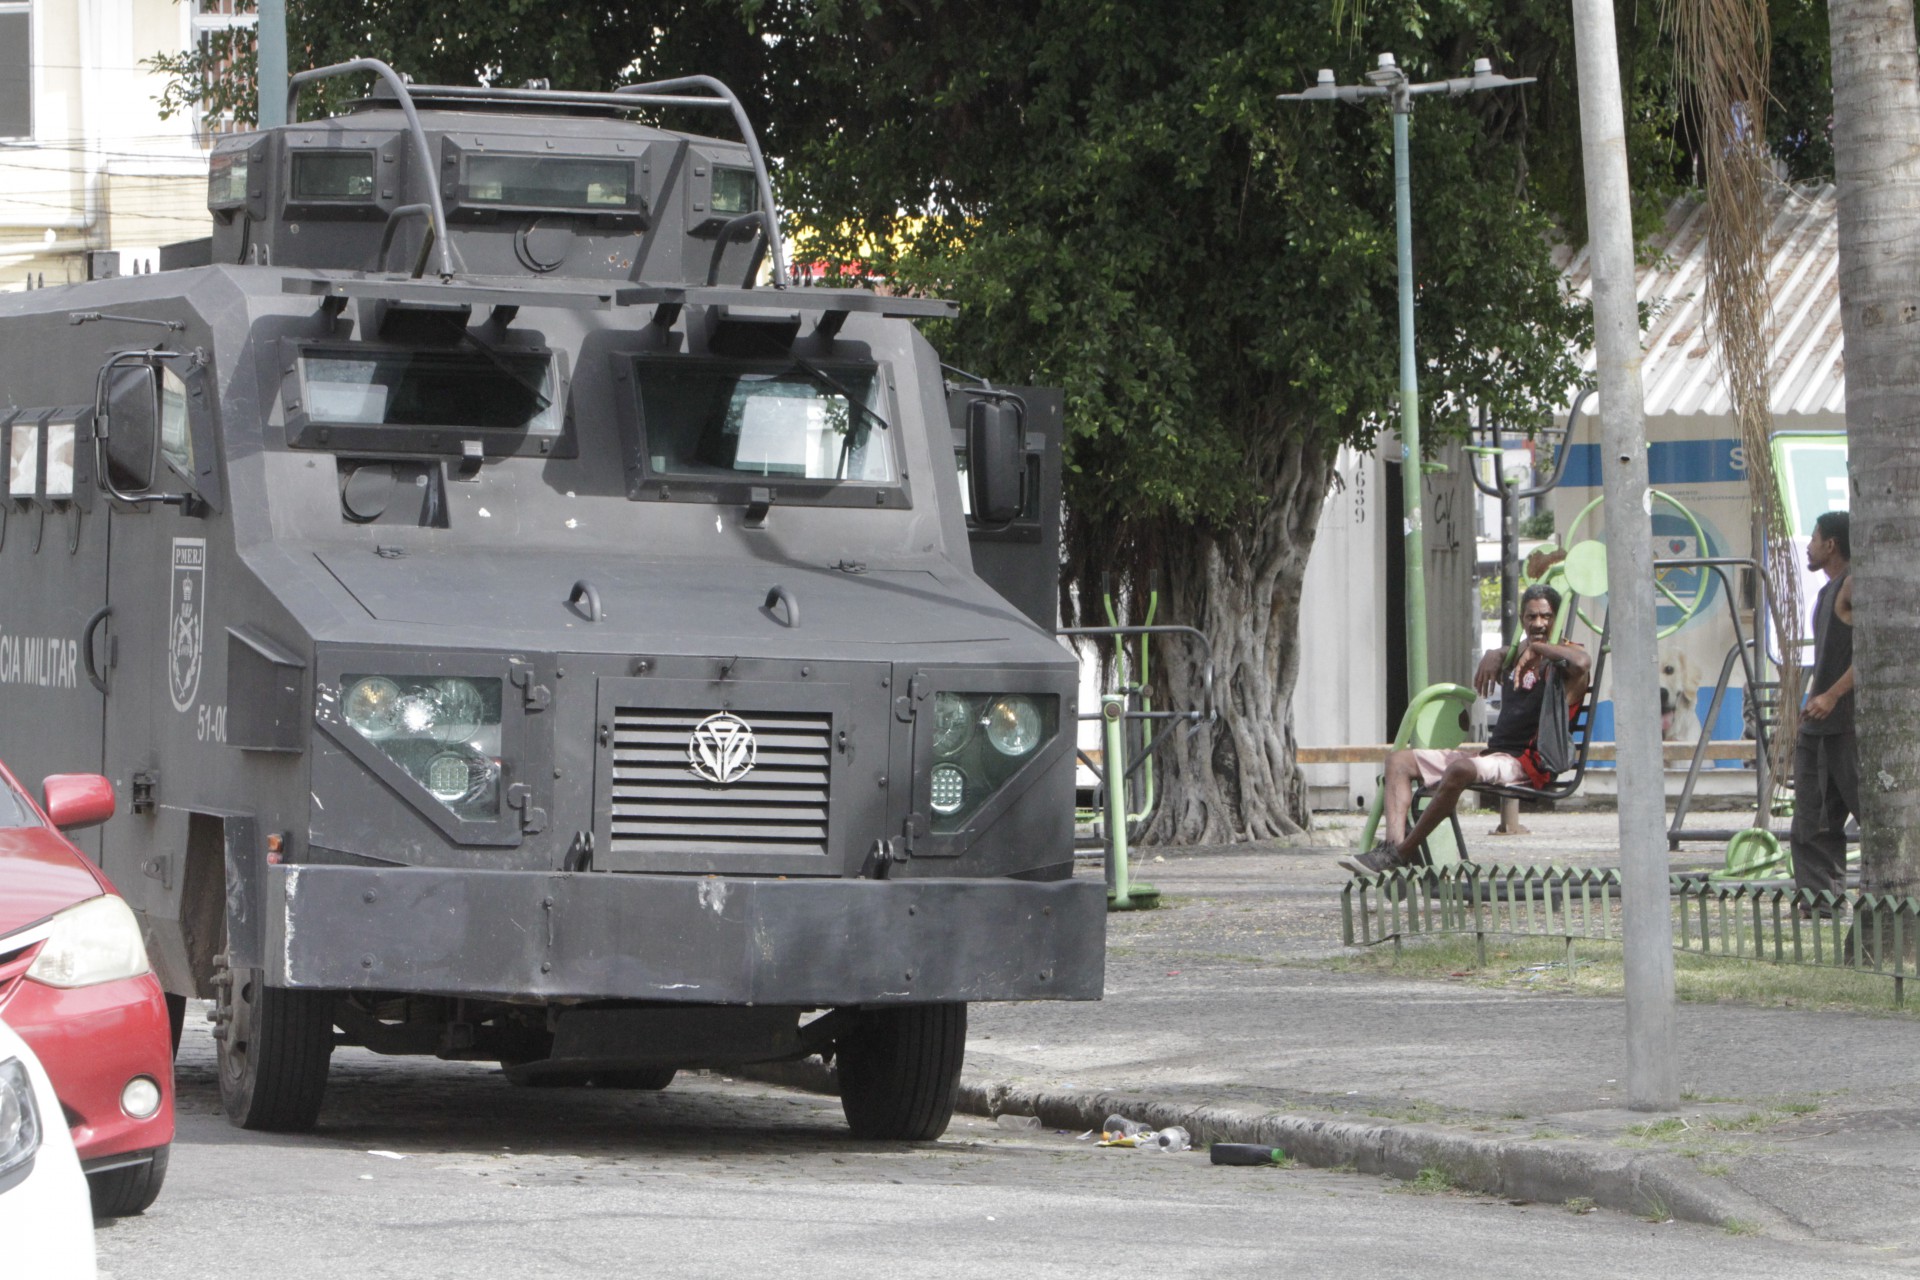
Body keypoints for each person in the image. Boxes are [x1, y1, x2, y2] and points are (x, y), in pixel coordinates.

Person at [1341, 583, 1591, 875]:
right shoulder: (1516, 655)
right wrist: (1494, 653)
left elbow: (1583, 662)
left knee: (1460, 770)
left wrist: (1537, 647)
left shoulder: (1565, 662)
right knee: (1398, 761)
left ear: (1557, 617)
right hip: (1495, 755)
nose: (1538, 624)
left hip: (1528, 764)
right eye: (1531, 617)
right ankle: (1392, 850)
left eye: (1546, 617)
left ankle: (1404, 851)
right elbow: (1505, 653)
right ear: (1522, 620)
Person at [1791, 510, 1857, 906]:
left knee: (1872, 810)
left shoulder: (1852, 586)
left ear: (1831, 544)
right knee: (1813, 819)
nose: (1809, 548)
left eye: (1814, 539)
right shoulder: (1828, 591)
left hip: (1847, 726)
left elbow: (1877, 651)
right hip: (1820, 727)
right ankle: (1820, 903)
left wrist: (1832, 695)